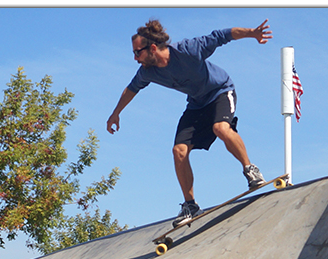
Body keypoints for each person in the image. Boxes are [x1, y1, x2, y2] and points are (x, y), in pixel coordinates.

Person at [107, 19, 273, 227]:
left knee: (220, 128)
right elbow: (131, 89)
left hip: (221, 91)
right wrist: (116, 113)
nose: (135, 58)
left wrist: (252, 33)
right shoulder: (147, 72)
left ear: (152, 48)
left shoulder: (187, 50)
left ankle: (250, 169)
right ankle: (190, 205)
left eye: (137, 53)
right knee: (179, 151)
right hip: (196, 105)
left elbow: (221, 35)